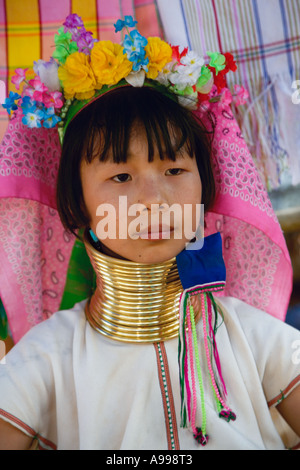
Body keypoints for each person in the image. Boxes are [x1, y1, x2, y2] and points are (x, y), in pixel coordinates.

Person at [0, 14, 299, 451]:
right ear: (77, 204)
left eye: (175, 169)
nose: (154, 200)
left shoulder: (254, 340)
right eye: (121, 176)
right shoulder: (47, 358)